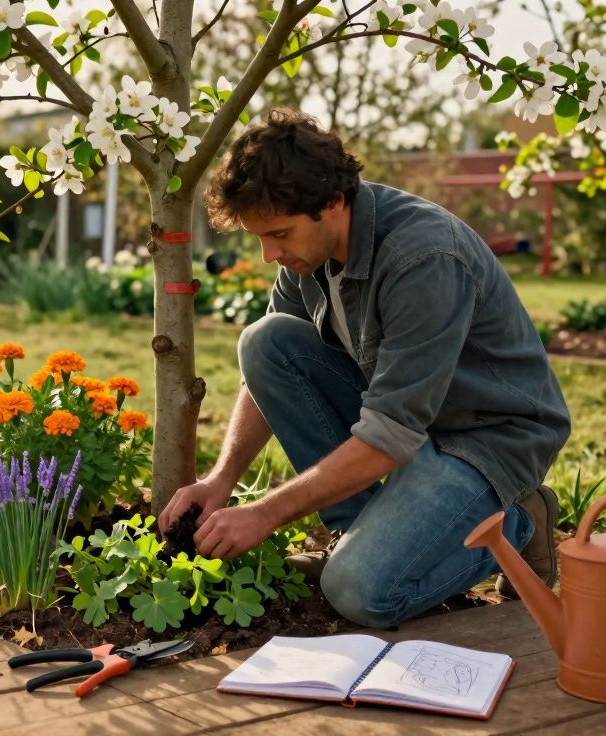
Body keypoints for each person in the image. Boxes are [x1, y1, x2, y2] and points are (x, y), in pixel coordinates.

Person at [157, 109, 572, 629]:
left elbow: (387, 435)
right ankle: (354, 534)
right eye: (260, 238)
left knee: (357, 594)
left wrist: (264, 513)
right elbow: (271, 372)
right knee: (265, 342)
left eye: (279, 234)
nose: (269, 255)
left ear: (332, 202)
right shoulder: (307, 256)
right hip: (411, 425)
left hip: (487, 440)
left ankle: (517, 525)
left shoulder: (422, 258)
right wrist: (222, 479)